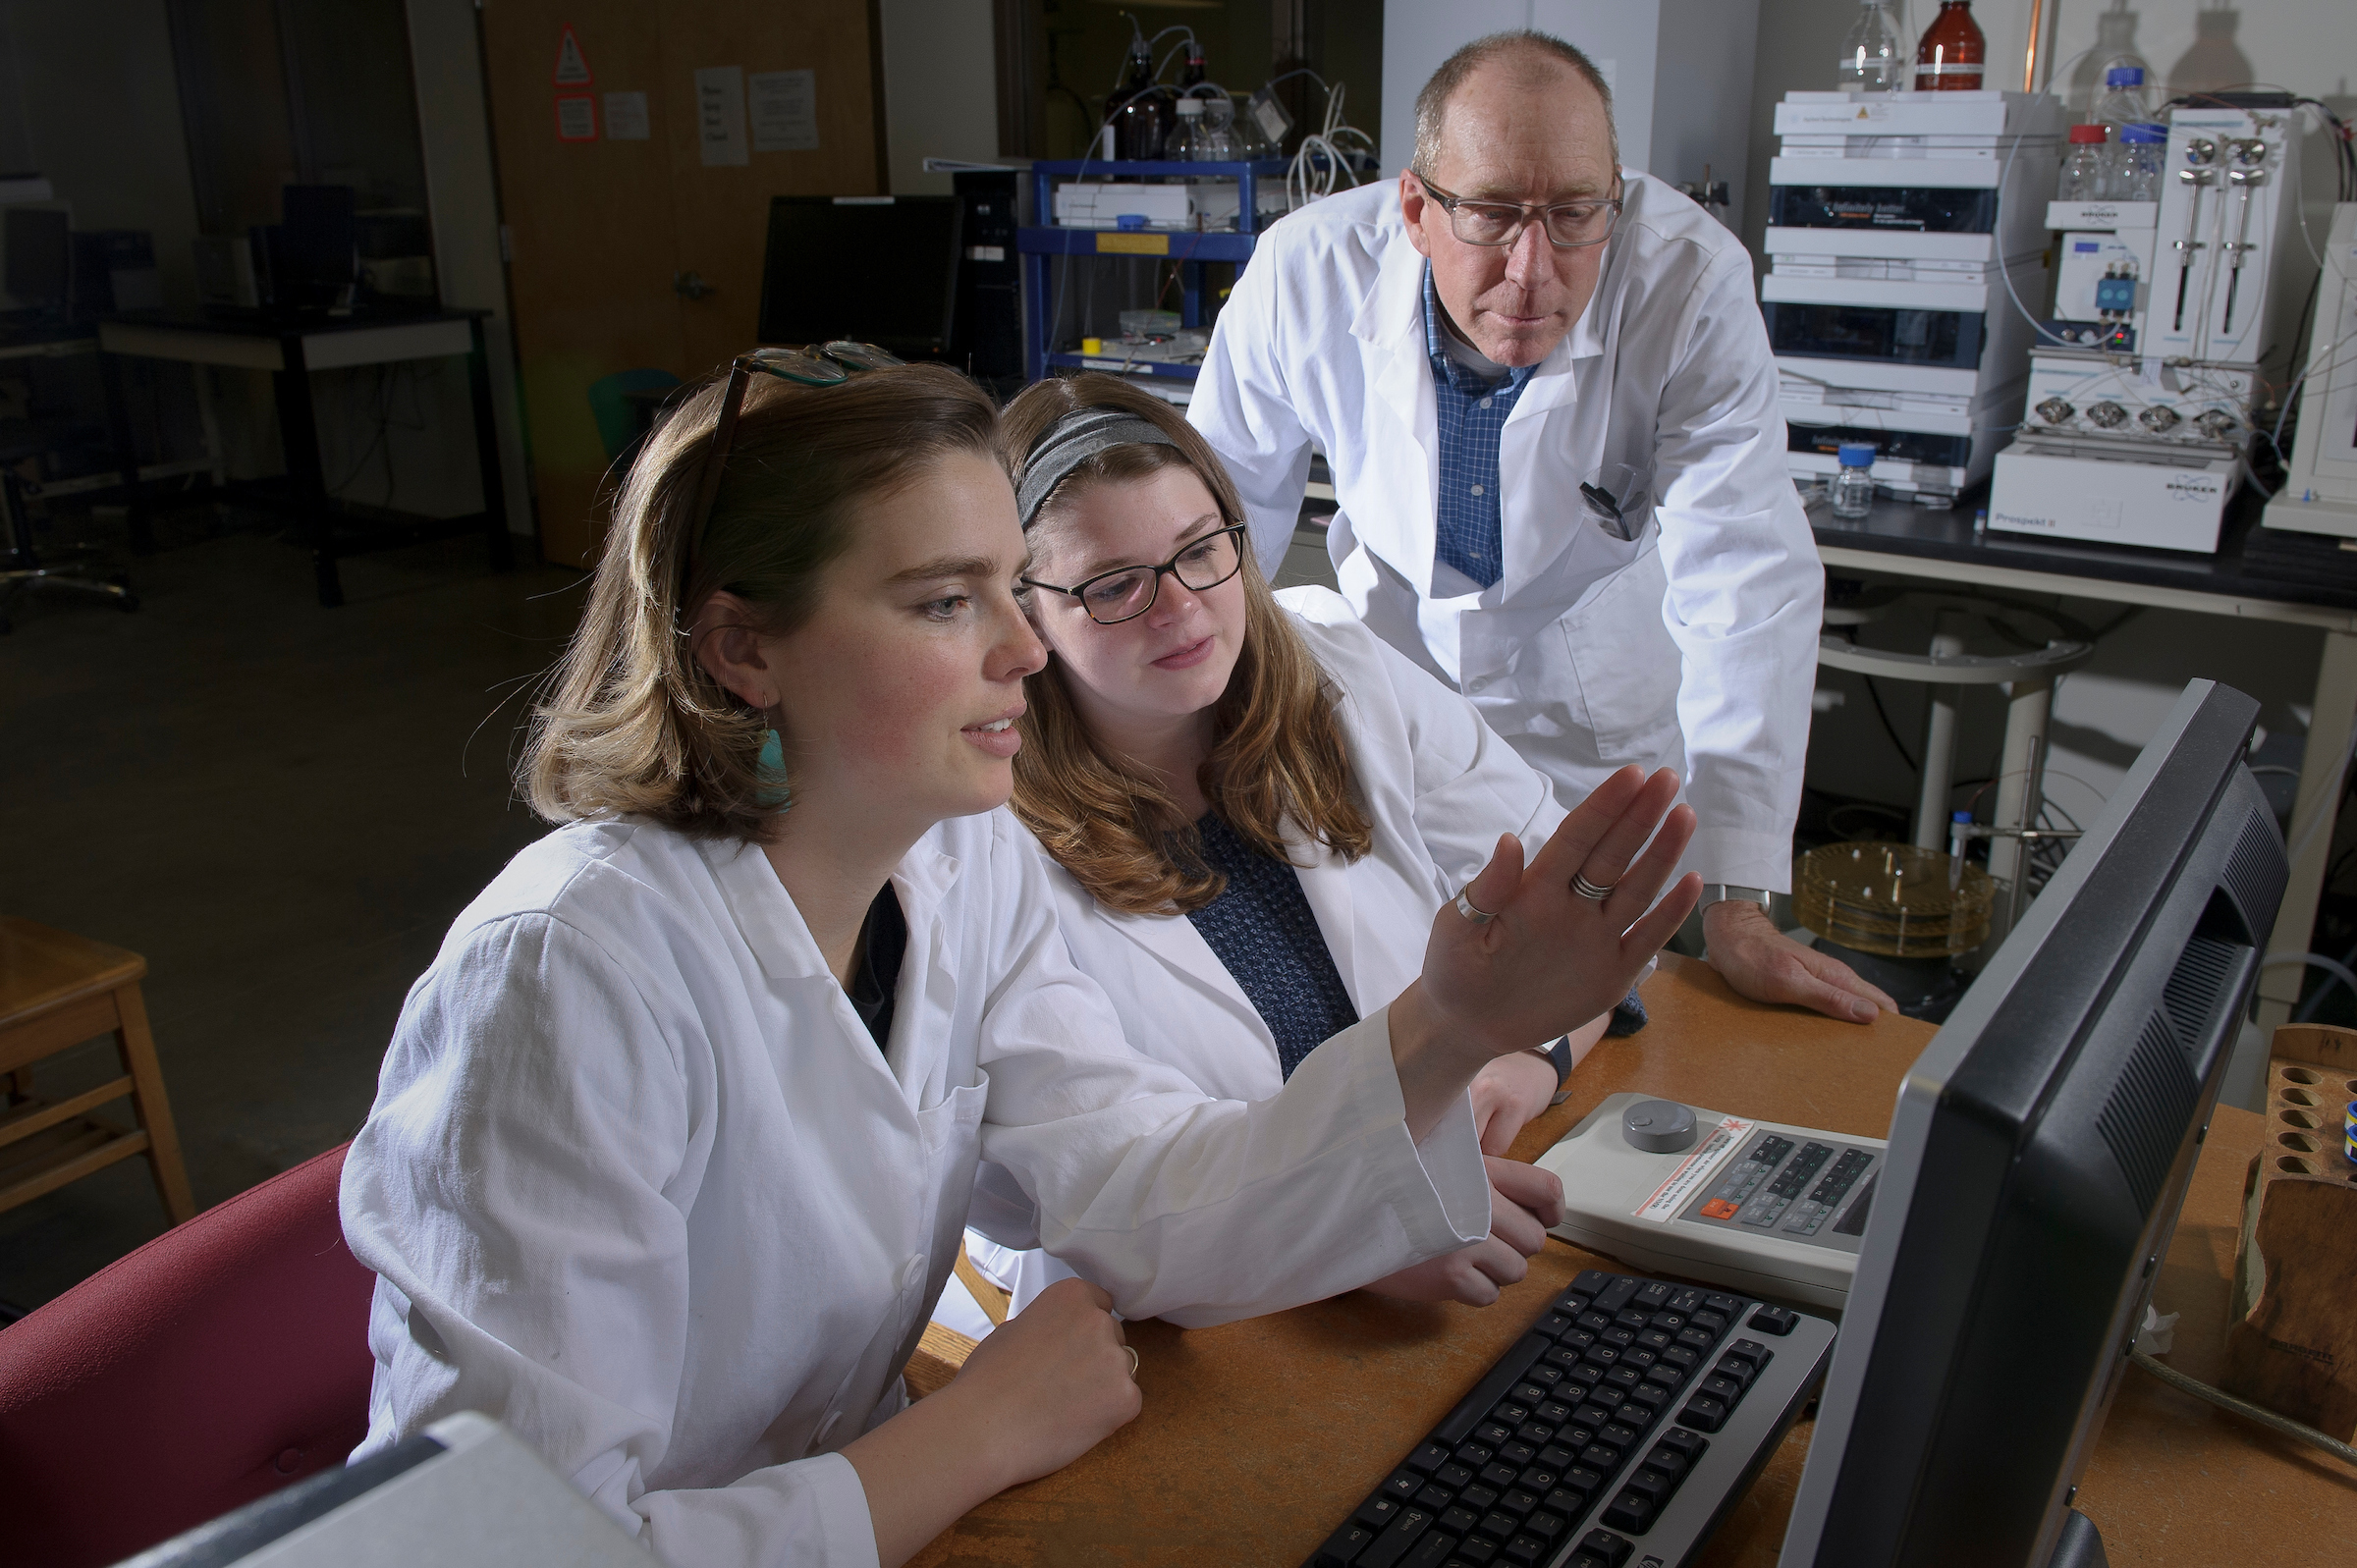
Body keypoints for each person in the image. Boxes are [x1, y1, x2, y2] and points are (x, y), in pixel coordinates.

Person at [337, 351, 1701, 1568]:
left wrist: (1449, 1032)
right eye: (945, 602)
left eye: (1010, 586)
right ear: (744, 646)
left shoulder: (951, 868)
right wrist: (969, 1436)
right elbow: (501, 1547)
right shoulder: (568, 977)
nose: (1024, 648)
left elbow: (1136, 1189)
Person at [1189, 29, 1896, 1025]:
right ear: (1415, 208)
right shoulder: (1305, 275)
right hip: (1381, 725)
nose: (1533, 271)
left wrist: (1738, 899)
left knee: (1595, 1041)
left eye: (1574, 216)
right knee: (1391, 1030)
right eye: (1489, 217)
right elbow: (1214, 536)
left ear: (1617, 196)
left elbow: (1744, 579)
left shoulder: (1687, 284)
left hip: (1591, 751)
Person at [975, 372, 1621, 1314]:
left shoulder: (1338, 666)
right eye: (1114, 586)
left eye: (1202, 551)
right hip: (1184, 1326)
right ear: (1025, 611)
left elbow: (1578, 921)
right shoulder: (985, 839)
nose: (1180, 606)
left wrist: (1526, 1061)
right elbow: (1106, 1196)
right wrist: (1360, 1234)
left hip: (1465, 1222)